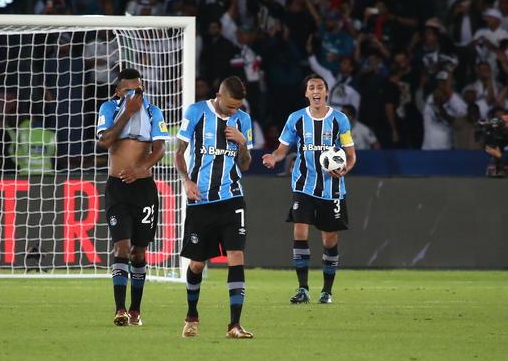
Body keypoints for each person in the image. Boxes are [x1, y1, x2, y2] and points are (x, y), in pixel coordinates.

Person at [261, 74, 356, 304]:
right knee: (300, 231)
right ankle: (303, 289)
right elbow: (282, 149)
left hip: (332, 189)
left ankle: (327, 291)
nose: (315, 91)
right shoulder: (296, 119)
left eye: (320, 87)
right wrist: (274, 158)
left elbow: (351, 155)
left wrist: (344, 169)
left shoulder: (340, 120)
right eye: (311, 87)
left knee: (329, 240)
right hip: (303, 185)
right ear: (306, 93)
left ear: (326, 93)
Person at [174, 76, 254, 339]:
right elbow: (178, 152)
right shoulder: (196, 112)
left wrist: (242, 142)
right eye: (230, 106)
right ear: (218, 94)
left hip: (232, 198)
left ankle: (234, 325)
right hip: (201, 201)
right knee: (197, 264)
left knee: (236, 256)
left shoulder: (242, 120)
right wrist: (186, 181)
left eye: (237, 107)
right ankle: (192, 315)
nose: (234, 112)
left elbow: (245, 165)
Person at [96, 68, 169, 327]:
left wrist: (140, 170)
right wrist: (127, 112)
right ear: (118, 91)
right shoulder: (108, 109)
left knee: (139, 252)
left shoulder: (153, 111)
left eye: (138, 90)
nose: (134, 95)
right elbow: (104, 141)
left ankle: (136, 310)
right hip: (117, 188)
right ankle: (119, 310)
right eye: (129, 90)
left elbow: (160, 148)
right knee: (122, 247)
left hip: (143, 190)